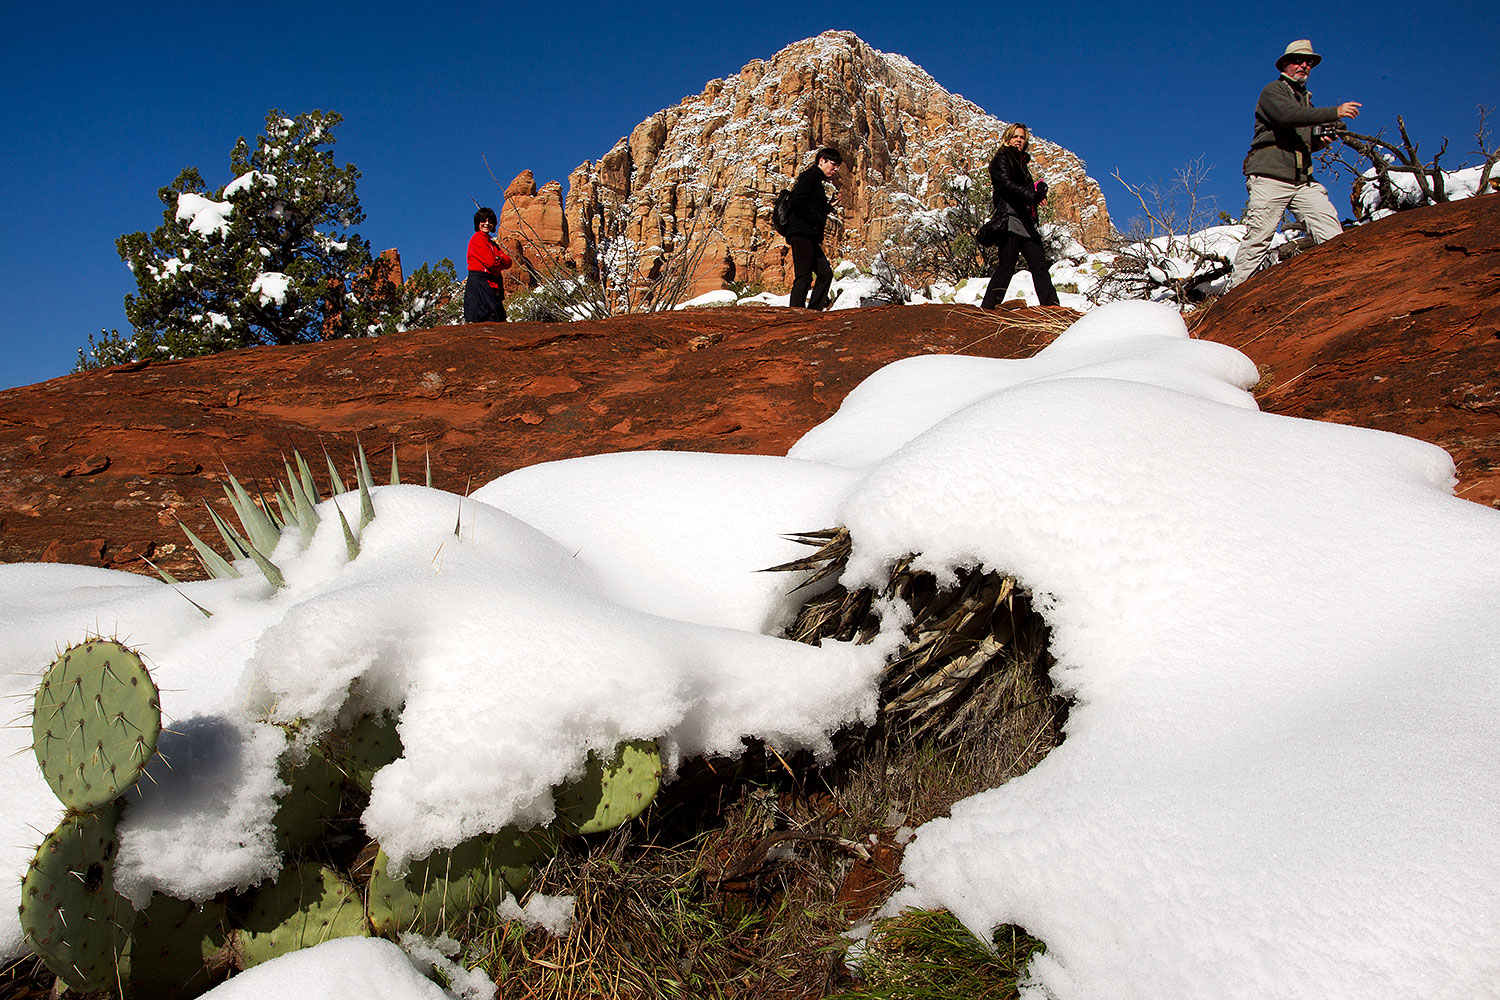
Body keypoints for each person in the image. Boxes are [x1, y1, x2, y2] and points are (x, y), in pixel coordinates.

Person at [1228, 40, 1362, 290]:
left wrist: (1321, 140)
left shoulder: (1306, 101)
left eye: (1308, 62)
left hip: (1302, 180)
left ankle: (1343, 282)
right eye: (1298, 60)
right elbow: (1285, 116)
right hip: (1270, 175)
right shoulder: (1273, 91)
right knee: (1259, 235)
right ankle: (1233, 294)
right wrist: (1334, 112)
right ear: (1285, 64)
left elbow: (1304, 139)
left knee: (1328, 227)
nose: (1304, 65)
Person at [980, 123, 1060, 310]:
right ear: (1007, 139)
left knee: (1039, 265)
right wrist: (1031, 195)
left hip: (1026, 222)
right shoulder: (1002, 159)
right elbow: (1005, 185)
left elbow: (1024, 189)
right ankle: (988, 309)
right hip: (1010, 220)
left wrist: (1038, 189)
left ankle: (1053, 309)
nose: (1019, 140)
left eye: (1022, 137)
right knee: (1007, 265)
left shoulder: (1022, 164)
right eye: (1015, 136)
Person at [785, 146, 842, 310]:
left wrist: (829, 206)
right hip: (801, 233)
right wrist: (816, 219)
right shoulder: (811, 176)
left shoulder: (816, 180)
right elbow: (797, 200)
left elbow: (811, 205)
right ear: (822, 161)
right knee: (803, 276)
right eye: (834, 164)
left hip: (808, 235)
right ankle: (795, 314)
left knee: (825, 274)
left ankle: (813, 313)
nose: (835, 169)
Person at [464, 207, 512, 323]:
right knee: (485, 317)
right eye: (483, 221)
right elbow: (491, 263)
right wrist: (499, 260)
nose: (487, 224)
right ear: (478, 223)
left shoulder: (492, 244)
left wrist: (498, 259)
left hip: (490, 284)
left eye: (490, 221)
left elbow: (509, 262)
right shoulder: (477, 239)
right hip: (479, 284)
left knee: (497, 317)